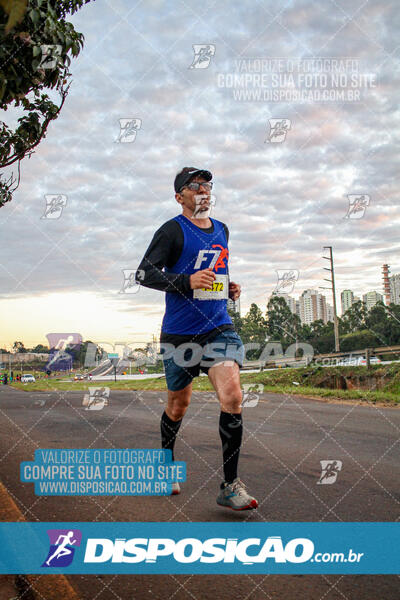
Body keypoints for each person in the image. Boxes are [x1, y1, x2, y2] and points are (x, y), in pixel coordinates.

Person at [136, 167, 258, 511]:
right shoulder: (172, 231)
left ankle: (230, 485)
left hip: (218, 326)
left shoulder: (222, 230)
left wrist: (228, 287)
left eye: (208, 185)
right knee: (178, 405)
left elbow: (216, 269)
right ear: (180, 196)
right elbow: (144, 273)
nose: (204, 190)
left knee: (233, 395)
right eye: (195, 186)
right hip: (179, 333)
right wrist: (187, 281)